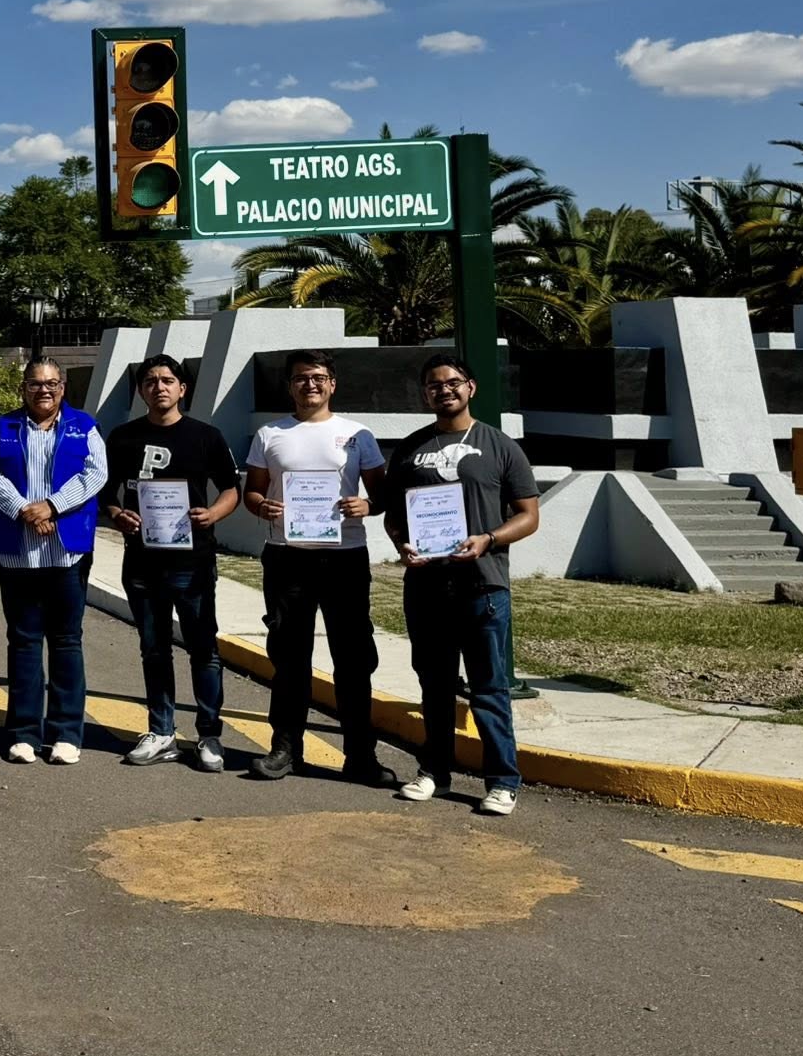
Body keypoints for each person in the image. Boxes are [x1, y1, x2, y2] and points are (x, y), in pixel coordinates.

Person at [383, 353, 541, 818]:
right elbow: (396, 517)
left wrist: (489, 539)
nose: (444, 390)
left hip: (483, 587)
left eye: (453, 382)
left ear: (470, 388)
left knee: (489, 688)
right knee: (433, 686)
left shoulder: (500, 446)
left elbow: (528, 515)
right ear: (425, 394)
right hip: (427, 587)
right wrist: (403, 545)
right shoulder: (411, 449)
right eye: (434, 385)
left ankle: (502, 781)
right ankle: (433, 771)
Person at [241, 348, 395, 786]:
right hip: (287, 558)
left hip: (344, 558)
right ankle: (286, 749)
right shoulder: (269, 434)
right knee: (289, 658)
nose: (310, 384)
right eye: (301, 378)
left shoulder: (357, 434)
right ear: (290, 385)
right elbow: (253, 492)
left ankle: (360, 756)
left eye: (319, 377)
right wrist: (262, 506)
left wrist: (367, 504)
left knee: (353, 659)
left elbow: (382, 495)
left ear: (332, 384)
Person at [99, 353, 240, 772]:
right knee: (154, 649)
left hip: (192, 561)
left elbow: (231, 488)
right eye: (150, 381)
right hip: (142, 560)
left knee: (203, 649)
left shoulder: (206, 436)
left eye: (167, 380)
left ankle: (209, 735)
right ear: (141, 390)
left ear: (182, 388)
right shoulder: (123, 437)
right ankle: (161, 730)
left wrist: (213, 514)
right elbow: (105, 493)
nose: (158, 387)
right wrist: (117, 515)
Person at [0, 359, 107, 766]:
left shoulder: (84, 426)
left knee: (67, 642)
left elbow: (95, 474)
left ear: (63, 388)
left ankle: (67, 732)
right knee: (25, 643)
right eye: (35, 384)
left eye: (51, 384)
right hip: (18, 553)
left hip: (66, 552)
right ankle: (23, 733)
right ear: (23, 388)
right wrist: (24, 510)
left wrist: (51, 507)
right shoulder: (2, 428)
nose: (44, 391)